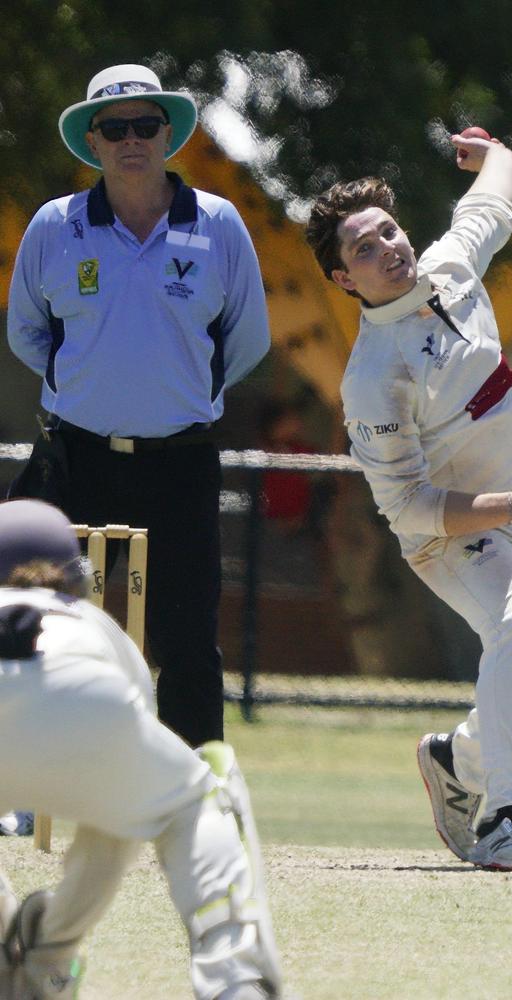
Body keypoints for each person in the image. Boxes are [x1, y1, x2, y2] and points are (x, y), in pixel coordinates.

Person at [305, 131, 512, 872]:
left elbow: (494, 196)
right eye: (364, 249)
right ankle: (505, 823)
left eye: (389, 231)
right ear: (343, 279)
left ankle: (456, 761)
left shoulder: (452, 264)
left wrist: (489, 148)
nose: (388, 248)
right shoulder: (373, 379)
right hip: (452, 536)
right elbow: (410, 509)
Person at [6, 64, 270, 764]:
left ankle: (195, 793)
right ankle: (23, 784)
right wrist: (91, 386)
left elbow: (247, 340)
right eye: (114, 127)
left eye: (145, 125)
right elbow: (27, 333)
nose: (131, 139)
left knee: (185, 639)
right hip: (73, 457)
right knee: (27, 621)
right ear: (91, 141)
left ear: (167, 135)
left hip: (179, 462)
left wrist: (176, 395)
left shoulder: (217, 224)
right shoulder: (54, 227)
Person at [0, 498, 281, 1000]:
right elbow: (119, 817)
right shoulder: (92, 622)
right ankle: (233, 976)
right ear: (77, 581)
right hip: (88, 696)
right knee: (190, 797)